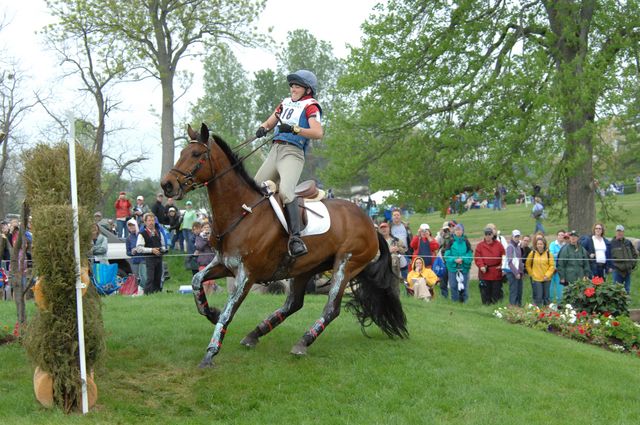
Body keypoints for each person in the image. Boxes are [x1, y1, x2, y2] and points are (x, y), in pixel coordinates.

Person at [253, 69, 323, 258]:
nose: (293, 88)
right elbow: (270, 121)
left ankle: (295, 238)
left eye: (297, 86)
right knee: (254, 189)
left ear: (307, 90)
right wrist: (263, 128)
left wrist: (294, 129)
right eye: (292, 85)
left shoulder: (311, 106)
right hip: (274, 151)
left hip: (292, 153)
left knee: (285, 191)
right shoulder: (285, 103)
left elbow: (317, 132)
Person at [136, 212, 167, 294]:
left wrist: (162, 250)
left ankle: (156, 294)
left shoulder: (159, 232)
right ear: (145, 222)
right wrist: (151, 250)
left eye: (153, 220)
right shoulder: (142, 234)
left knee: (158, 277)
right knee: (150, 278)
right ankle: (147, 294)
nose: (151, 222)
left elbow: (163, 245)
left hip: (159, 258)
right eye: (149, 220)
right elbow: (139, 248)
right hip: (149, 259)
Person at [474, 227, 506, 305]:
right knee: (485, 292)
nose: (488, 236)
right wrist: (481, 266)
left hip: (496, 272)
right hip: (485, 272)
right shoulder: (480, 246)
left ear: (492, 235)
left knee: (496, 292)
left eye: (489, 234)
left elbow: (504, 256)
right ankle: (486, 306)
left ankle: (497, 306)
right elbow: (477, 257)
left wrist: (502, 266)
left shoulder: (499, 245)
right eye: (486, 234)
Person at [443, 223, 473, 303]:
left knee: (464, 285)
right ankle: (455, 302)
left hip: (464, 267)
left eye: (460, 230)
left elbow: (470, 254)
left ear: (463, 231)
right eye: (456, 230)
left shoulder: (466, 241)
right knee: (453, 285)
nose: (458, 232)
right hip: (453, 268)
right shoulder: (451, 241)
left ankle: (464, 302)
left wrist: (463, 259)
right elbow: (446, 255)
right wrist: (454, 259)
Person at [525, 238, 555, 306]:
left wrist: (547, 275)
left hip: (547, 279)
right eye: (538, 244)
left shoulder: (549, 254)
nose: (539, 245)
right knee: (538, 296)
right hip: (536, 279)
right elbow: (528, 264)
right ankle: (538, 311)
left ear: (544, 245)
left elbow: (552, 266)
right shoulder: (532, 253)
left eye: (541, 244)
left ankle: (546, 311)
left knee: (546, 296)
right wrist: (532, 274)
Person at [609, 225, 638, 294]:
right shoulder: (611, 243)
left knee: (627, 289)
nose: (620, 233)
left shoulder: (628, 242)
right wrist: (612, 267)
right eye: (618, 231)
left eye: (621, 231)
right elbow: (608, 257)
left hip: (628, 271)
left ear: (623, 232)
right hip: (617, 271)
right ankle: (617, 305)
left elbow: (634, 254)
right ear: (615, 232)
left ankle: (626, 304)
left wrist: (632, 265)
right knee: (615, 290)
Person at [194, 222, 219, 293]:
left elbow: (215, 246)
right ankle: (205, 297)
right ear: (201, 229)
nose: (206, 229)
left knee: (211, 282)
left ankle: (210, 298)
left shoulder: (213, 237)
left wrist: (210, 239)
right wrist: (205, 239)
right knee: (205, 282)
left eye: (208, 227)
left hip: (212, 261)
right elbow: (199, 246)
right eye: (205, 227)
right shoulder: (199, 237)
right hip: (203, 261)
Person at [389, 208, 412, 278]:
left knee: (407, 274)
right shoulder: (389, 227)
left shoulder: (405, 226)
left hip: (405, 252)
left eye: (398, 215)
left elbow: (410, 238)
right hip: (393, 253)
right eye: (394, 215)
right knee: (394, 275)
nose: (396, 216)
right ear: (392, 217)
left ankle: (408, 287)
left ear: (400, 216)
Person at [125, 218, 146, 291]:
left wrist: (140, 249)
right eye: (129, 226)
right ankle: (137, 291)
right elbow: (127, 252)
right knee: (136, 277)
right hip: (134, 261)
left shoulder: (141, 235)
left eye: (133, 226)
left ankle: (145, 290)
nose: (131, 228)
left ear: (136, 226)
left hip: (143, 259)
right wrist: (132, 252)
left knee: (144, 276)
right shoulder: (128, 238)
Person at [505, 230, 525, 307]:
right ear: (512, 237)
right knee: (514, 291)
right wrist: (516, 273)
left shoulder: (518, 247)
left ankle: (519, 308)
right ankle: (512, 309)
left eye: (518, 236)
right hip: (512, 273)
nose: (517, 238)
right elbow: (510, 262)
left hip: (519, 273)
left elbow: (519, 261)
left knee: (519, 291)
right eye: (515, 236)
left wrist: (521, 272)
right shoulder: (510, 247)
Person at [548, 230, 567, 304]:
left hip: (561, 269)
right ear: (557, 236)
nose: (561, 236)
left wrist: (557, 255)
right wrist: (560, 255)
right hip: (552, 268)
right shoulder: (553, 244)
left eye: (562, 235)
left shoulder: (565, 245)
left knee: (560, 287)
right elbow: (551, 255)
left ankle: (560, 303)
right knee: (551, 286)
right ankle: (550, 302)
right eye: (559, 235)